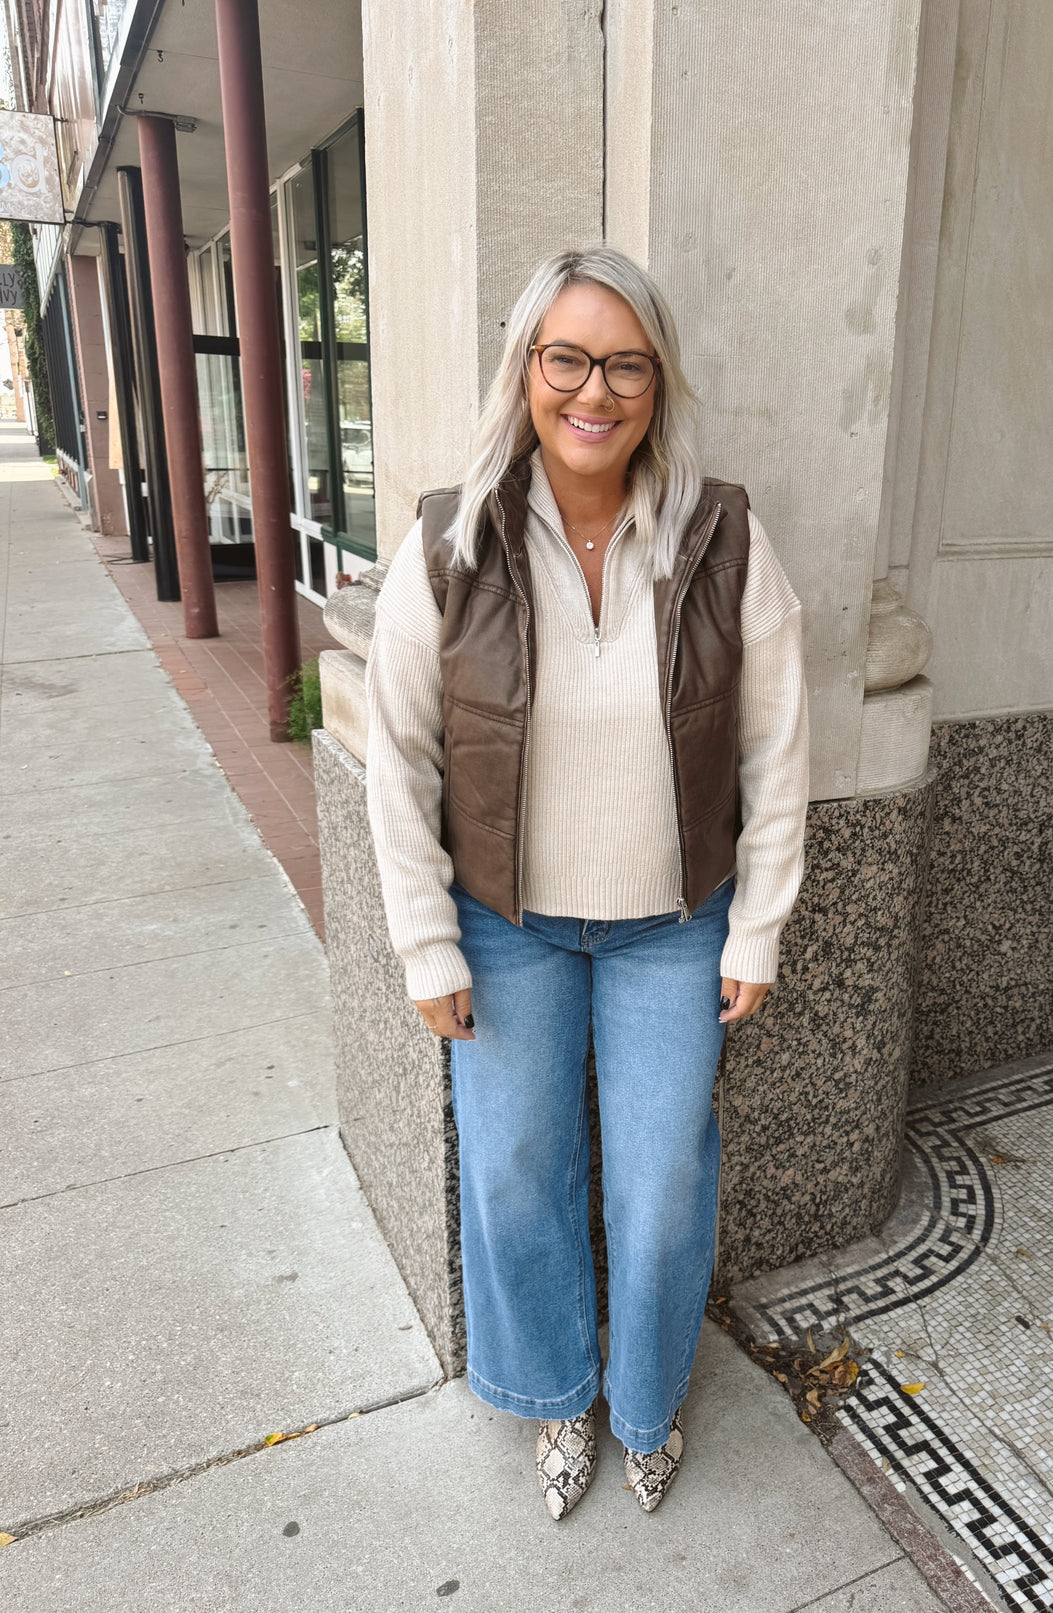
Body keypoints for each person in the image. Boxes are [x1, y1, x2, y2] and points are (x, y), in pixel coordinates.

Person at [365, 247, 808, 1519]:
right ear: (528, 371)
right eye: (567, 357)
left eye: (624, 362)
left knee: (661, 1181)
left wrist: (757, 925)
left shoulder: (721, 535)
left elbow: (779, 745)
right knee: (514, 1168)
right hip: (507, 927)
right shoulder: (451, 540)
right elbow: (398, 752)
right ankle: (558, 1394)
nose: (593, 390)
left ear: (656, 384)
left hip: (674, 926)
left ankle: (648, 1404)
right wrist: (424, 941)